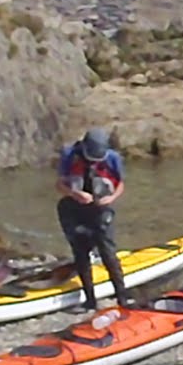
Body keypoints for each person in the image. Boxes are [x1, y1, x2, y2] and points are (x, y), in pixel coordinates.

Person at [55, 127, 132, 311]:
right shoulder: (69, 154)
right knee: (81, 254)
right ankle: (90, 300)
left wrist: (111, 199)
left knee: (108, 254)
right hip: (75, 209)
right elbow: (59, 184)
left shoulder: (112, 158)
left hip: (101, 210)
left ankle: (123, 298)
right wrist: (75, 194)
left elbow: (120, 184)